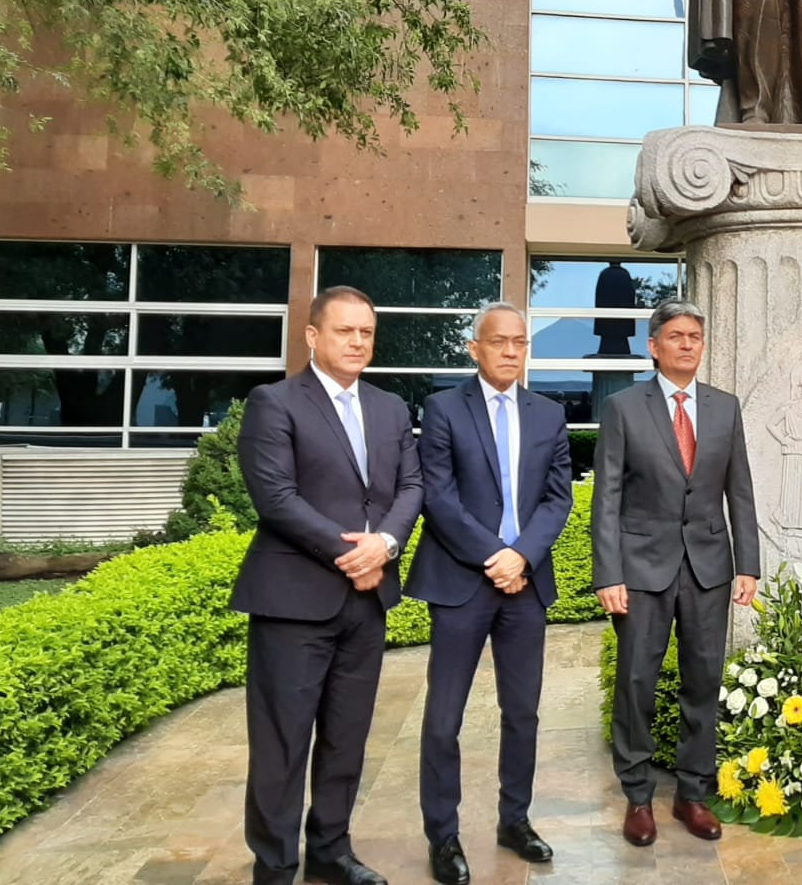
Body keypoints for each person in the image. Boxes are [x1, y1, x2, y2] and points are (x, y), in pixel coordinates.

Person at [231, 286, 423, 885]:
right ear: (313, 336)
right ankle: (275, 864)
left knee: (347, 738)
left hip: (366, 604)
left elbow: (411, 488)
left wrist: (386, 545)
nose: (358, 342)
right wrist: (355, 552)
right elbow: (276, 498)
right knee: (282, 743)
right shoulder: (275, 403)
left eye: (366, 332)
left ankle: (331, 852)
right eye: (345, 331)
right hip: (293, 603)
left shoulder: (390, 408)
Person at [404, 303, 574, 881]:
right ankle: (443, 835)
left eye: (519, 342)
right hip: (461, 581)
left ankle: (515, 819)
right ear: (474, 348)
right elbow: (438, 497)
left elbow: (558, 499)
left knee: (522, 710)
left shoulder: (549, 414)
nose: (509, 350)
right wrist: (492, 555)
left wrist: (521, 555)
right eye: (497, 341)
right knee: (444, 717)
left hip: (525, 586)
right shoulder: (445, 408)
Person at [591, 299, 761, 847]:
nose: (688, 343)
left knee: (703, 682)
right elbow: (608, 497)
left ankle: (693, 793)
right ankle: (638, 796)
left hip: (709, 567)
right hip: (640, 570)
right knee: (637, 681)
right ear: (654, 345)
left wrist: (749, 566)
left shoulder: (724, 407)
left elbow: (740, 491)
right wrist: (607, 573)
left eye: (695, 336)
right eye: (677, 335)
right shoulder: (622, 408)